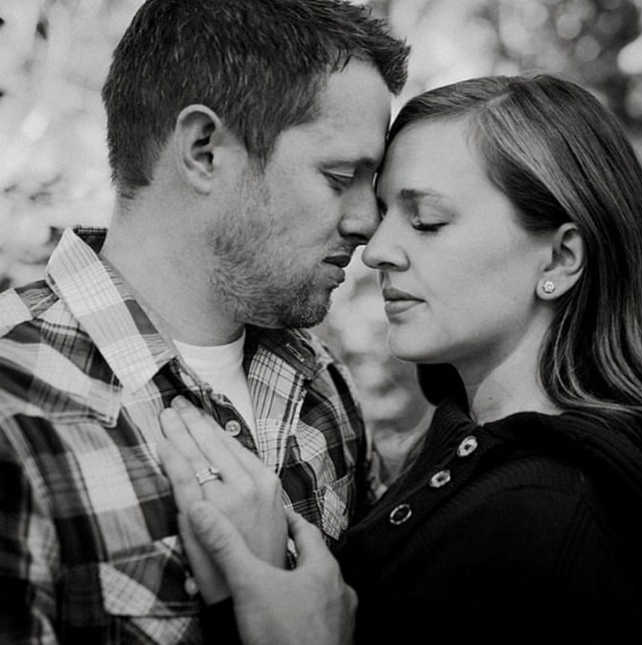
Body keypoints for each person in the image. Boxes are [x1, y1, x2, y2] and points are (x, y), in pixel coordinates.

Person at [158, 74, 642, 644]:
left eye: (426, 221)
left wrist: (253, 604)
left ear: (558, 258)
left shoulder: (549, 518)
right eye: (384, 215)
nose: (377, 251)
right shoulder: (464, 448)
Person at [0, 0, 408, 642]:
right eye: (339, 177)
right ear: (204, 151)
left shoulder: (324, 389)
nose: (366, 222)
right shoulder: (15, 410)